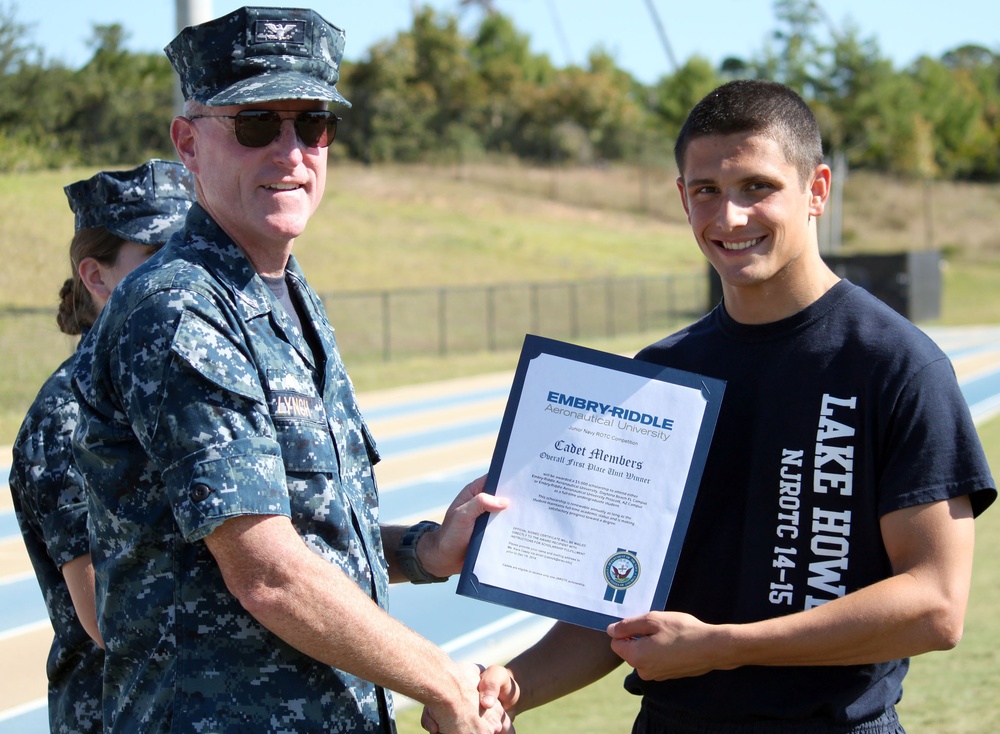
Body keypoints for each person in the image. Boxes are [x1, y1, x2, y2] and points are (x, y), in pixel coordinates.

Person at [472, 79, 997, 734]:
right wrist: (511, 687)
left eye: (757, 187)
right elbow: (609, 606)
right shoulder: (658, 378)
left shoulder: (897, 367)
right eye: (706, 192)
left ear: (817, 190)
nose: (729, 218)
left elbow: (935, 606)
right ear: (682, 197)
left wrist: (725, 647)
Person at [71, 7, 508, 734]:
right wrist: (444, 682)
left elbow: (313, 534)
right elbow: (268, 573)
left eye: (313, 124)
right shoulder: (181, 310)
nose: (290, 152)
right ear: (188, 141)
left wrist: (423, 550)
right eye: (254, 125)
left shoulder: (279, 289)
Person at [9, 159, 194, 734]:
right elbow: (106, 619)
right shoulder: (68, 416)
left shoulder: (172, 385)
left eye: (193, 246)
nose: (187, 271)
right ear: (96, 276)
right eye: (160, 253)